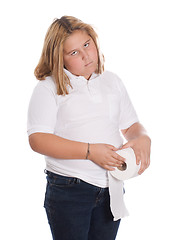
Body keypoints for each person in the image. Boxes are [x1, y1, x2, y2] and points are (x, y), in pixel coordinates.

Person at [27, 16, 151, 240]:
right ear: (59, 58)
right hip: (69, 188)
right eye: (73, 52)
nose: (85, 55)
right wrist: (90, 151)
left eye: (87, 44)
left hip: (111, 186)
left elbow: (131, 125)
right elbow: (38, 139)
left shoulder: (111, 81)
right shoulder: (49, 88)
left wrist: (143, 138)